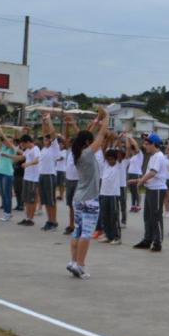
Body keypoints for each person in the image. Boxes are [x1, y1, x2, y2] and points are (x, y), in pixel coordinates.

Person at [67, 107, 108, 280]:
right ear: (87, 143)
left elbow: (85, 135)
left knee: (77, 230)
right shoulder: (88, 154)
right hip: (90, 199)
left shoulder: (76, 153)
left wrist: (96, 121)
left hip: (78, 198)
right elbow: (101, 135)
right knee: (86, 233)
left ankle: (73, 261)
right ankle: (80, 265)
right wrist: (106, 117)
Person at [129, 133, 168, 252]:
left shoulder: (159, 156)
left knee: (155, 216)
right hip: (151, 189)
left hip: (157, 189)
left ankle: (157, 242)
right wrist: (137, 180)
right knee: (148, 216)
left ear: (154, 144)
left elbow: (153, 173)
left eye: (147, 144)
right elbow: (149, 174)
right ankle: (147, 239)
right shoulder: (152, 156)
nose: (145, 146)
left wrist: (140, 181)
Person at [37, 114, 60, 231]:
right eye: (44, 139)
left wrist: (49, 120)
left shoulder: (54, 147)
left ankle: (54, 222)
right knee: (46, 201)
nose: (45, 140)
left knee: (51, 200)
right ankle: (49, 220)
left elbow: (52, 132)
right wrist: (43, 122)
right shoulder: (44, 149)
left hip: (50, 176)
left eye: (47, 139)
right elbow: (44, 133)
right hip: (42, 176)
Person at [0, 126, 17, 222]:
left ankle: (7, 213)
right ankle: (7, 213)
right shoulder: (2, 147)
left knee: (7, 194)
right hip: (0, 172)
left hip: (7, 173)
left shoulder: (12, 148)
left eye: (9, 141)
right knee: (3, 194)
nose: (6, 142)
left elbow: (7, 142)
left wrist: (2, 132)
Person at [99, 148, 122, 245]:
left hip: (113, 194)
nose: (110, 161)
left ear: (116, 159)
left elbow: (120, 155)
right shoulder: (105, 165)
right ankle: (108, 235)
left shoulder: (118, 166)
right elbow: (104, 151)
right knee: (105, 216)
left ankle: (116, 237)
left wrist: (119, 140)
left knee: (114, 216)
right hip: (104, 193)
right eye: (109, 159)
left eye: (112, 159)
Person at [127, 135, 143, 213]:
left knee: (136, 190)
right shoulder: (132, 156)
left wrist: (130, 137)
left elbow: (136, 146)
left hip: (136, 174)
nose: (132, 151)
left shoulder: (140, 155)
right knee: (132, 191)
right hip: (131, 173)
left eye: (133, 150)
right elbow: (129, 147)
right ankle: (133, 205)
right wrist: (127, 139)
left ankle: (138, 205)